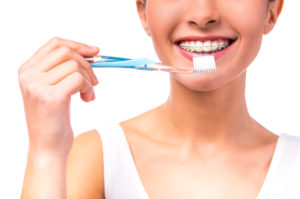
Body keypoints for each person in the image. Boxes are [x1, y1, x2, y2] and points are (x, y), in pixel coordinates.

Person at [19, 0, 300, 198]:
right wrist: (46, 152)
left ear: (272, 10)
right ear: (143, 10)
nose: (202, 14)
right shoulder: (97, 159)